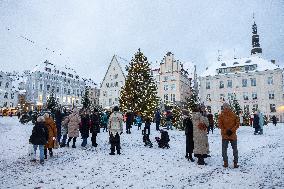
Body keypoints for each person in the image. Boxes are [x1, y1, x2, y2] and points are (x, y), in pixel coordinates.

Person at [218, 103, 240, 168]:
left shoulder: (221, 115)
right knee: (235, 149)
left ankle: (225, 163)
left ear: (223, 107)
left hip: (225, 135)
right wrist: (232, 130)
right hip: (232, 135)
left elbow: (220, 125)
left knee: (224, 149)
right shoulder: (233, 114)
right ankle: (235, 163)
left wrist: (226, 131)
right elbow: (237, 124)